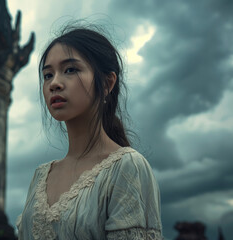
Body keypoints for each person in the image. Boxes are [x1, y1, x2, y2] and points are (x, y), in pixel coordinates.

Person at [15, 26, 163, 240]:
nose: (54, 83)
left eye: (70, 70)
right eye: (48, 75)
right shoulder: (40, 176)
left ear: (106, 83)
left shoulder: (126, 167)